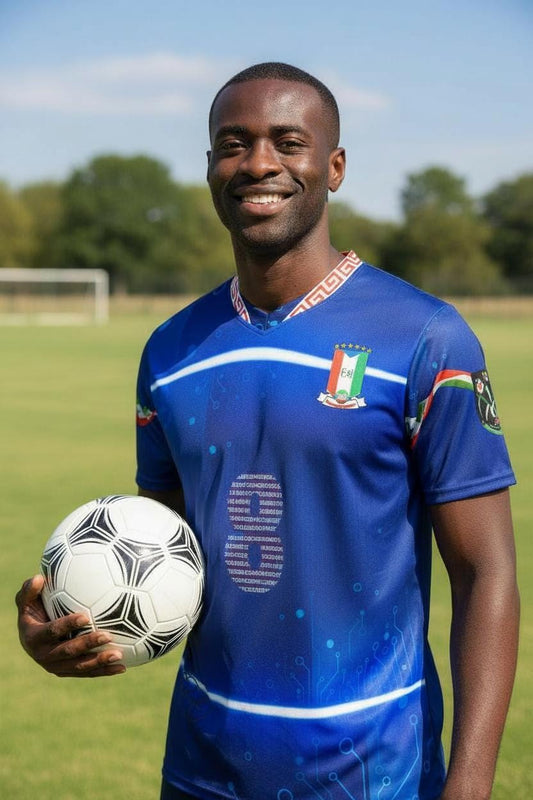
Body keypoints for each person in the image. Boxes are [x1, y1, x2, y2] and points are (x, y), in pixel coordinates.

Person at [16, 62, 519, 800]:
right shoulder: (170, 352)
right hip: (204, 765)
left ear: (334, 167)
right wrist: (67, 624)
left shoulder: (426, 339)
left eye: (288, 142)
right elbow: (163, 555)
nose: (258, 163)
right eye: (233, 143)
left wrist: (470, 783)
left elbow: (485, 572)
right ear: (210, 168)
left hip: (375, 767)